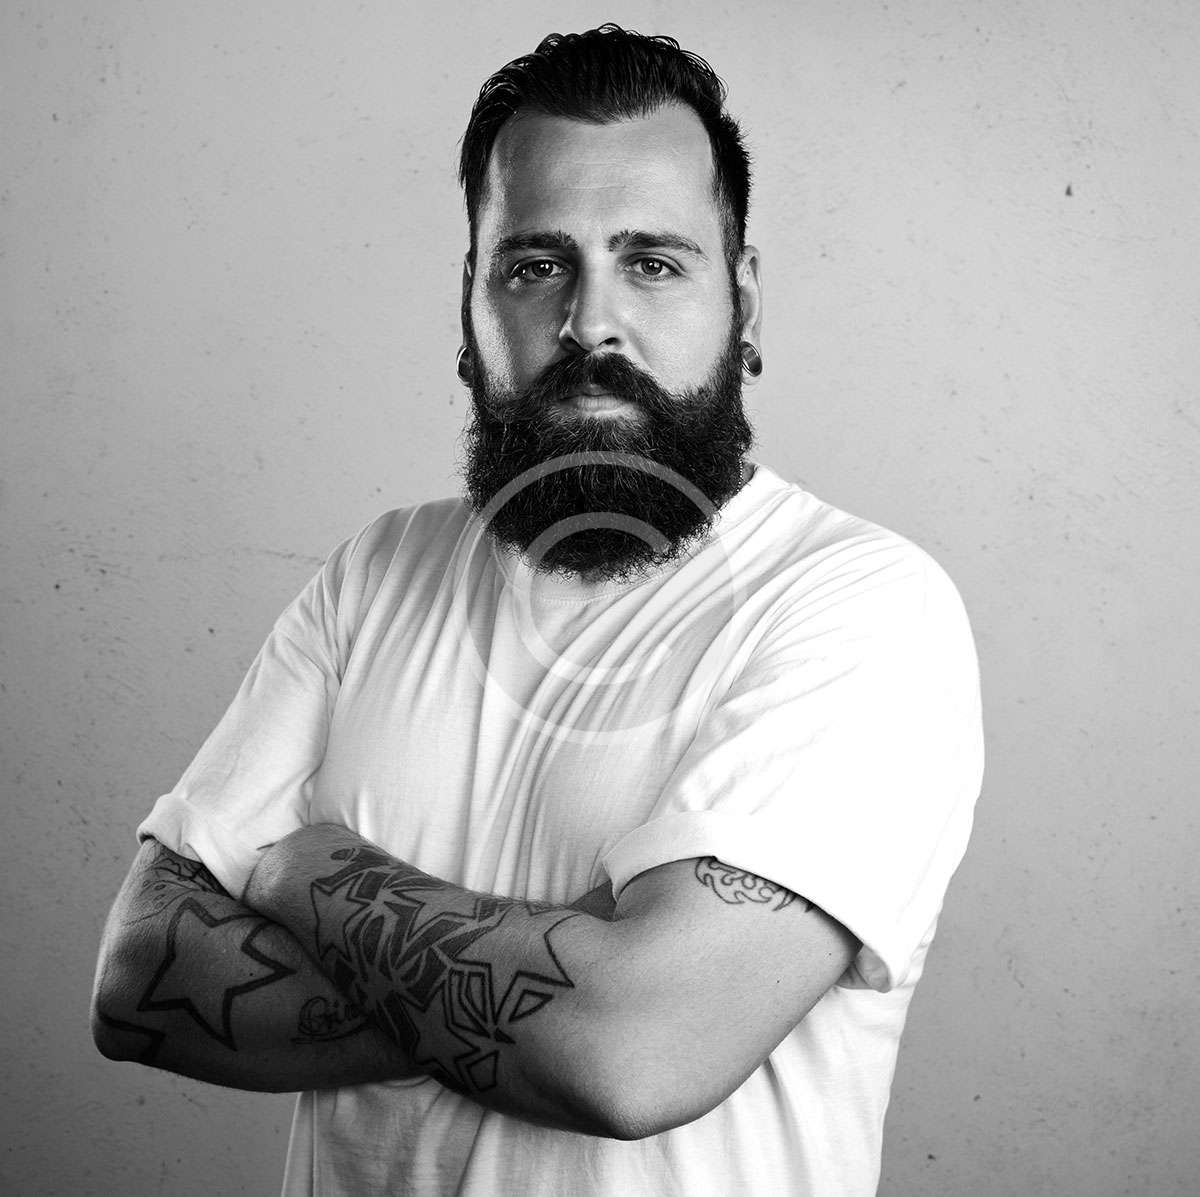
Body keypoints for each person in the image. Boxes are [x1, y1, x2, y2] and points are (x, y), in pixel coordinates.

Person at [91, 25, 983, 1196]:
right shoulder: (379, 573)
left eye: (652, 263)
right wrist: (562, 985)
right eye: (534, 266)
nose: (589, 323)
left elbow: (633, 1052)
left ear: (746, 302)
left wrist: (304, 871)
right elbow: (141, 982)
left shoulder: (862, 608)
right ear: (468, 307)